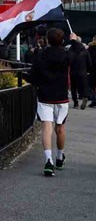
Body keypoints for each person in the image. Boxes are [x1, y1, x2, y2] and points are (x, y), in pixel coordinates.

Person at [26, 28, 73, 177]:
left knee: (47, 127)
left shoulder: (41, 55)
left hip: (45, 95)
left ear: (47, 40)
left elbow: (33, 76)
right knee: (60, 128)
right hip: (61, 96)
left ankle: (48, 161)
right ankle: (60, 156)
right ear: (62, 40)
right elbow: (79, 55)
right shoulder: (66, 55)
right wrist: (75, 41)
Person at [69, 35, 91, 110]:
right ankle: (85, 96)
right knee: (83, 86)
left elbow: (68, 60)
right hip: (82, 71)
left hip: (73, 71)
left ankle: (75, 102)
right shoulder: (85, 51)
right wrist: (88, 70)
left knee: (73, 88)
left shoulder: (71, 50)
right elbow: (89, 62)